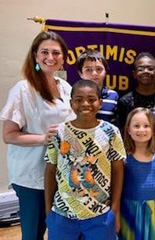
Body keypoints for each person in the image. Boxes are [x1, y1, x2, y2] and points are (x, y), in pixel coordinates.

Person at [0, 31, 75, 240]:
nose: (50, 57)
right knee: (33, 232)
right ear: (35, 55)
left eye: (56, 53)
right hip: (31, 175)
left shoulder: (66, 88)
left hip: (60, 173)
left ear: (63, 58)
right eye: (44, 52)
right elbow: (9, 135)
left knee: (57, 227)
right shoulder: (23, 89)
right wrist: (43, 138)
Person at [44, 79, 126, 240]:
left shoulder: (111, 132)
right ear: (71, 103)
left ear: (100, 103)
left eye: (91, 99)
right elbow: (50, 170)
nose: (85, 104)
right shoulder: (59, 132)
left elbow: (118, 170)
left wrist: (114, 208)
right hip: (62, 214)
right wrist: (48, 211)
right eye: (79, 100)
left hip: (100, 214)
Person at [119, 107, 155, 240]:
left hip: (153, 209)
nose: (141, 130)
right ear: (128, 130)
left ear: (153, 130)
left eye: (146, 126)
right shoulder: (123, 156)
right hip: (128, 210)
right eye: (136, 126)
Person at [116, 52, 155, 157]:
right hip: (131, 158)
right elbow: (120, 133)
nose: (145, 72)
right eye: (140, 69)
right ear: (134, 73)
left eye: (150, 68)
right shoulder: (125, 101)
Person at [77, 49, 118, 123]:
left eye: (99, 69)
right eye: (88, 70)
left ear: (105, 72)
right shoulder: (74, 96)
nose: (94, 73)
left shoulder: (113, 96)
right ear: (81, 73)